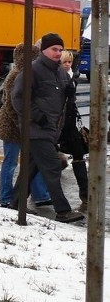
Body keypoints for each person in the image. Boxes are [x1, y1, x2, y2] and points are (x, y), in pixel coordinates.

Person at [10, 33, 84, 223]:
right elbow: (18, 98)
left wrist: (70, 91)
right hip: (35, 129)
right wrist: (37, 116)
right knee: (52, 167)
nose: (58, 53)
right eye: (54, 49)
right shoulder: (32, 70)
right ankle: (63, 210)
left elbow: (66, 98)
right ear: (44, 50)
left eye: (60, 49)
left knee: (31, 167)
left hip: (51, 129)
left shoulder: (59, 72)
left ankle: (16, 203)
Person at [0, 42, 52, 208]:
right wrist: (22, 124)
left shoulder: (28, 74)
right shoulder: (16, 76)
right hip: (12, 127)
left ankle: (40, 195)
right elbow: (10, 105)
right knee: (11, 163)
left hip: (24, 126)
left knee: (31, 162)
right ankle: (5, 197)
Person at [58, 49, 88, 212]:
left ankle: (86, 195)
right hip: (57, 124)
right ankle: (19, 198)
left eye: (69, 62)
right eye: (65, 62)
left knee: (79, 155)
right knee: (40, 160)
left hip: (70, 123)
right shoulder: (56, 76)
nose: (68, 64)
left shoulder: (72, 77)